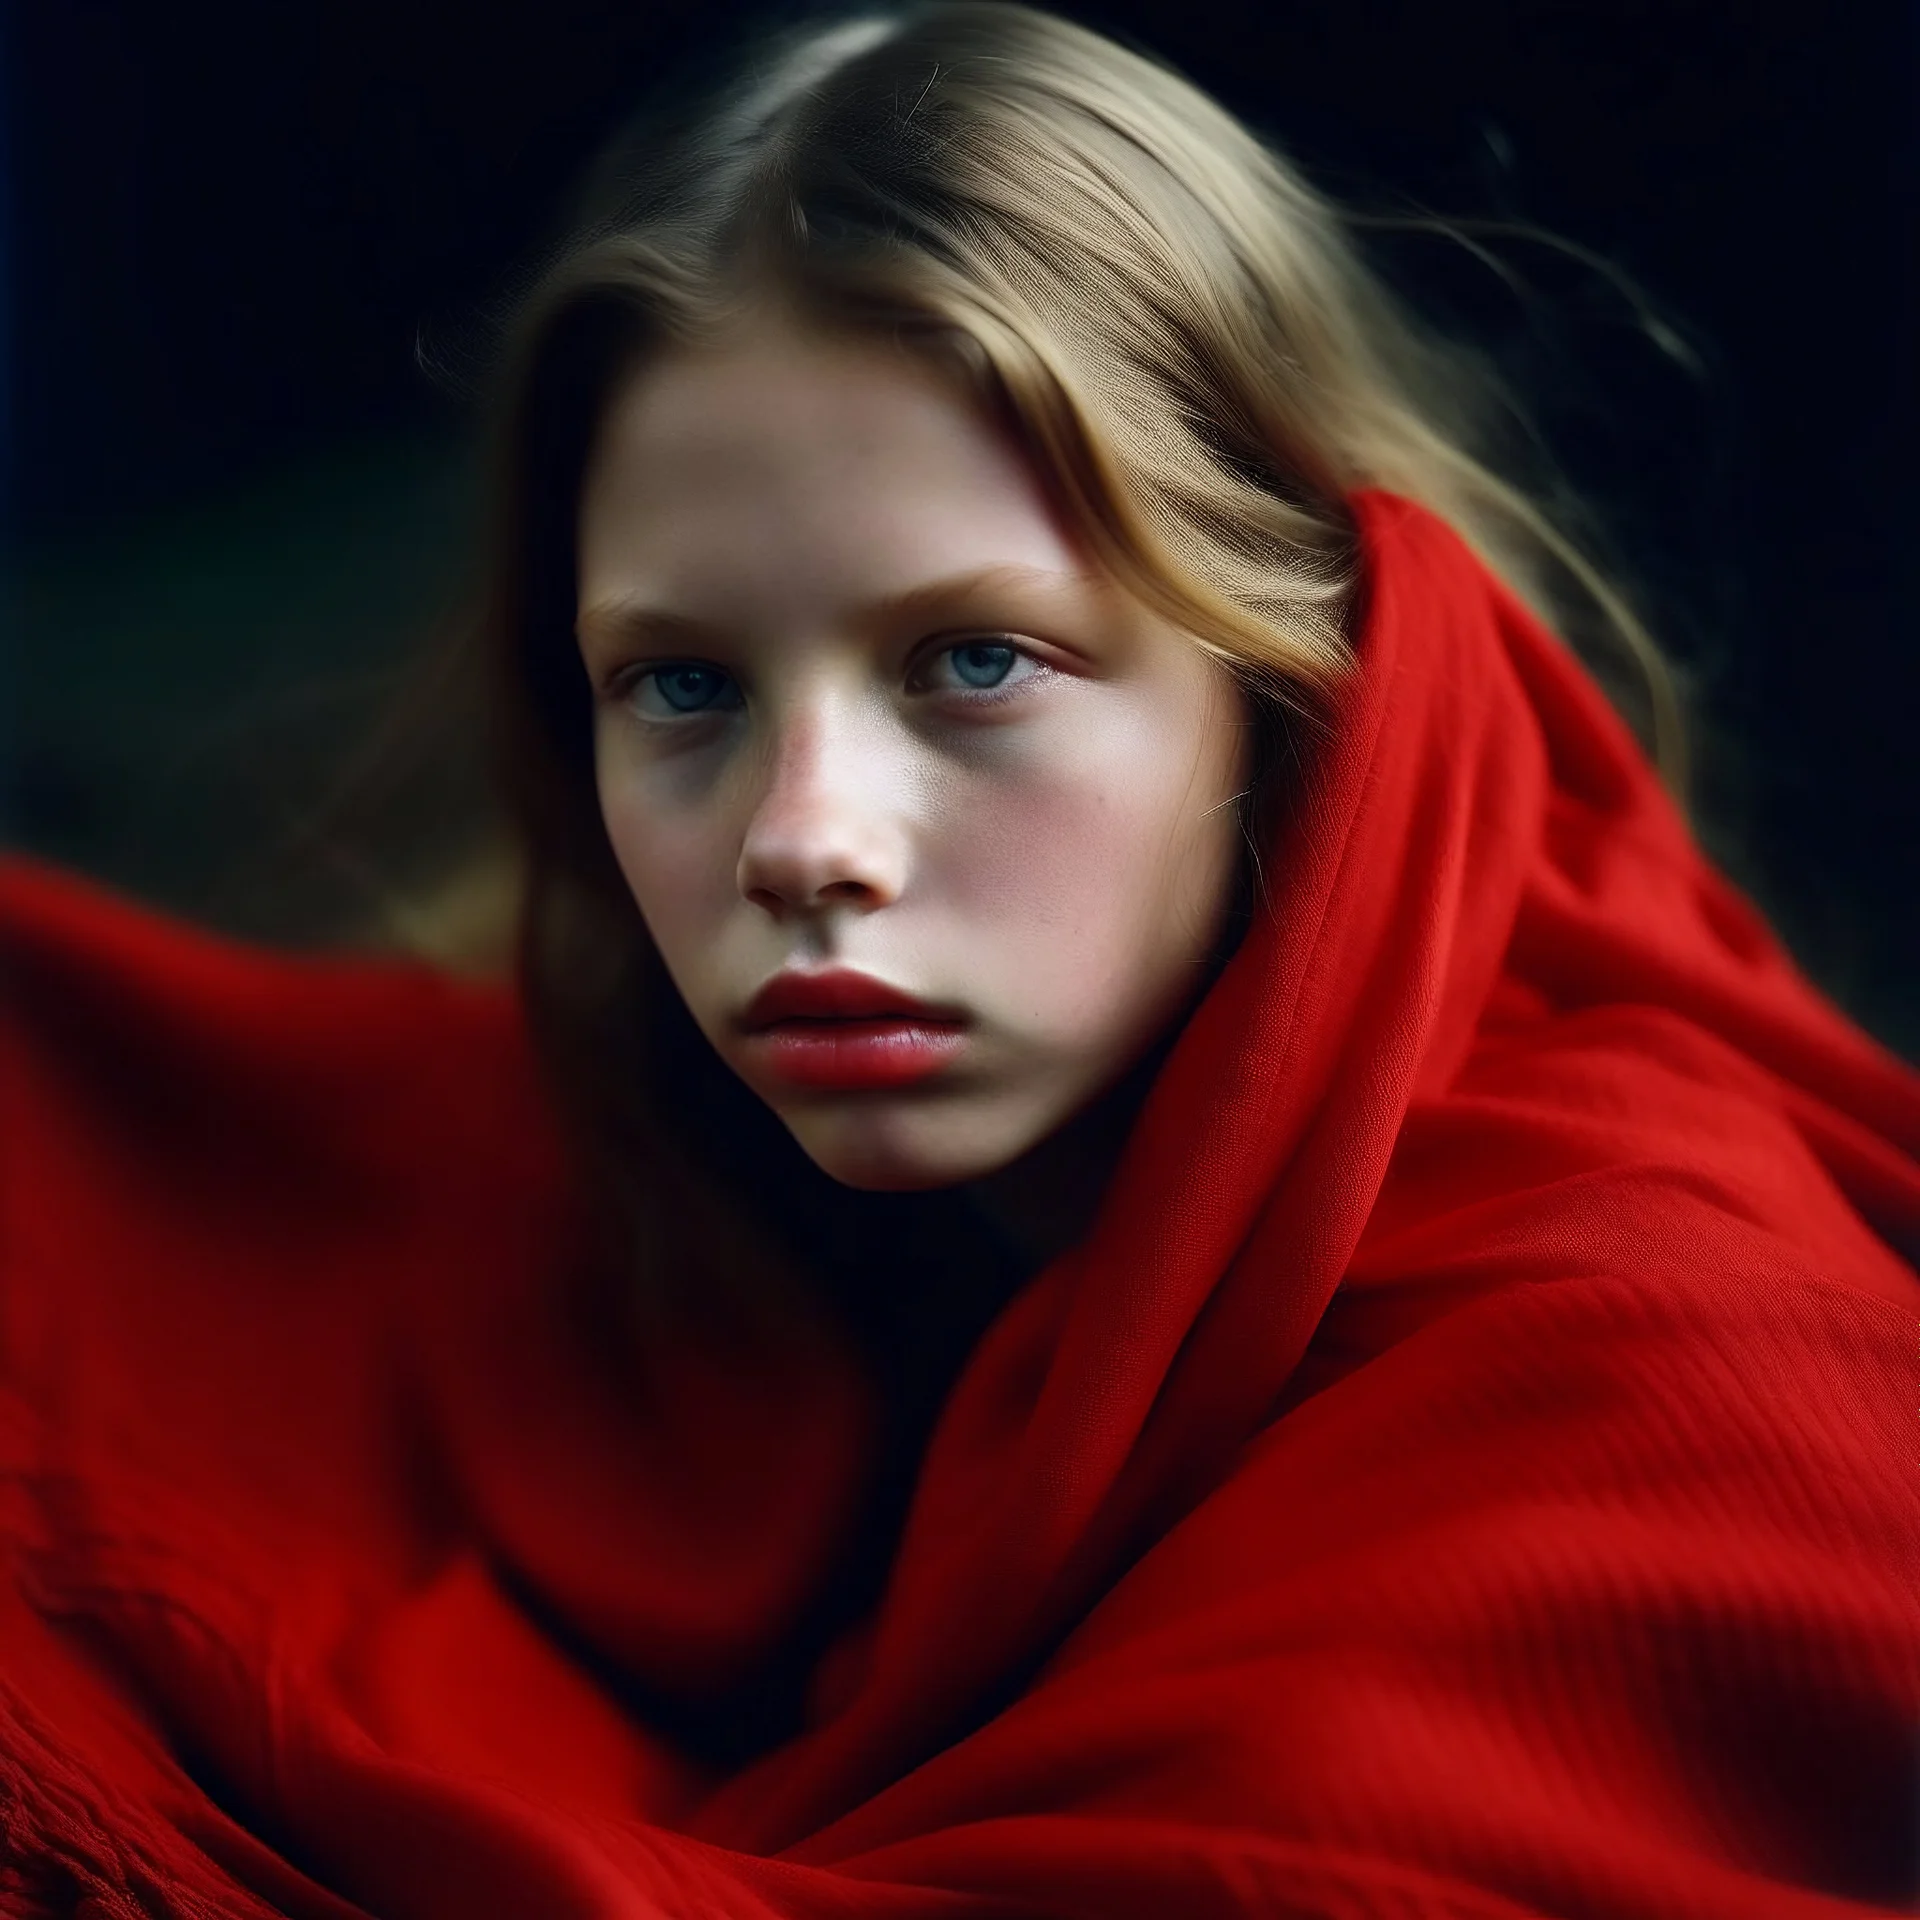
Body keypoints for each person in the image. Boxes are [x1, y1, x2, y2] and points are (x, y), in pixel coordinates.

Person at [2, 3, 1915, 1915]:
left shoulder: (1668, 1379)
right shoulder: (654, 1162)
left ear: (1294, 677)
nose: (801, 838)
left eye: (975, 660)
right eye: (680, 682)